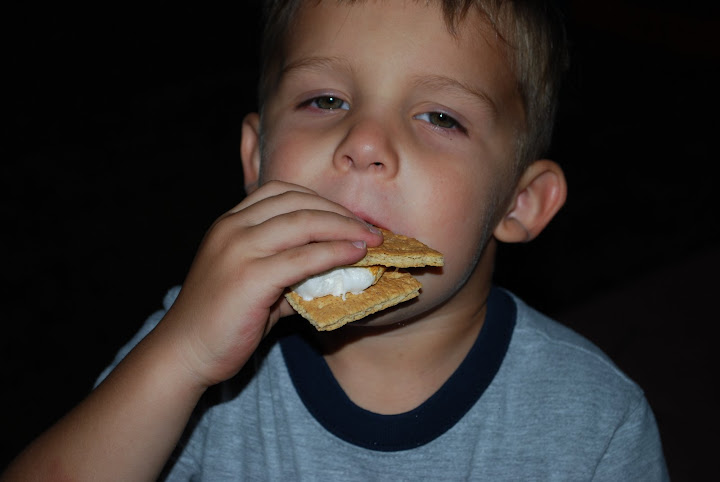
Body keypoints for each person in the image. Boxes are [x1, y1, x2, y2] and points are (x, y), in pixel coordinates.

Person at [2, 0, 669, 480]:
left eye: (440, 117)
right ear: (257, 157)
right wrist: (183, 356)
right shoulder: (199, 348)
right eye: (326, 101)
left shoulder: (594, 422)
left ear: (519, 203)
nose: (364, 143)